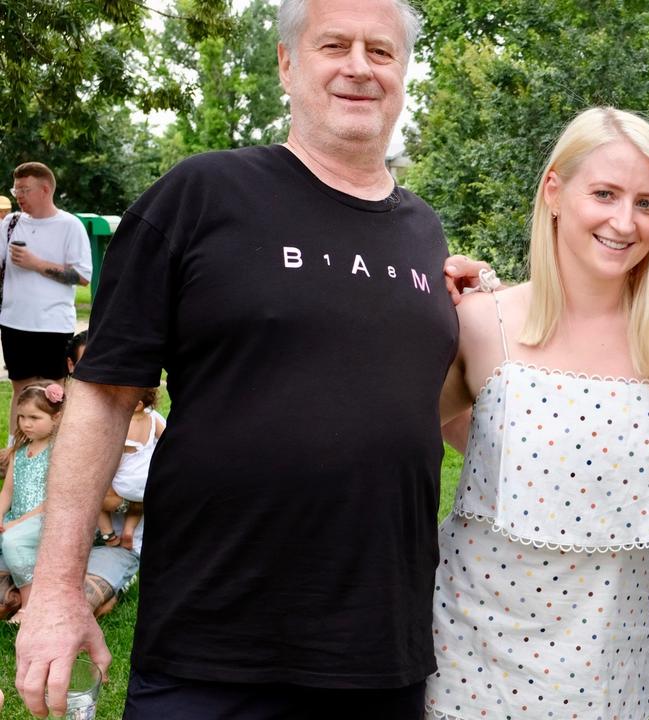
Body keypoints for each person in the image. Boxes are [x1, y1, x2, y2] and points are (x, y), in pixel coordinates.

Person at [14, 0, 460, 717]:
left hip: (378, 648)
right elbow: (103, 396)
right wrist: (60, 590)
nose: (358, 67)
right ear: (286, 63)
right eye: (333, 45)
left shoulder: (424, 235)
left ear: (403, 73)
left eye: (381, 52)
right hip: (212, 640)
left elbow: (427, 403)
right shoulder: (201, 194)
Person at [426, 106, 649, 720]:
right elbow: (381, 435)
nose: (625, 221)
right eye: (606, 194)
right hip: (467, 660)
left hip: (606, 671)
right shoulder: (482, 325)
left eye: (647, 203)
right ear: (555, 192)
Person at [2, 163, 92, 436]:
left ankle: (55, 455)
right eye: (15, 189)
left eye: (24, 189)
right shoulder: (11, 222)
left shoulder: (69, 225)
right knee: (21, 389)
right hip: (14, 321)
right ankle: (14, 454)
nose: (19, 195)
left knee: (53, 391)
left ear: (45, 189)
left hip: (53, 324)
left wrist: (36, 263)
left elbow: (82, 277)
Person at [0, 381, 66, 621]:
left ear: (56, 417)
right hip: (17, 518)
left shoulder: (58, 452)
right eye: (22, 417)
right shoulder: (19, 451)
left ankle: (29, 604)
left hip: (45, 519)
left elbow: (53, 499)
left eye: (35, 417)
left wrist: (18, 523)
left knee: (12, 542)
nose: (26, 424)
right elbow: (7, 492)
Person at [93, 387, 162, 550]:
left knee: (94, 499)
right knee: (137, 508)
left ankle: (108, 535)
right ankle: (129, 531)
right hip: (147, 484)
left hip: (125, 485)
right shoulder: (152, 418)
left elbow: (113, 461)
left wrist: (105, 480)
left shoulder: (123, 425)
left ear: (137, 405)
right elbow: (167, 439)